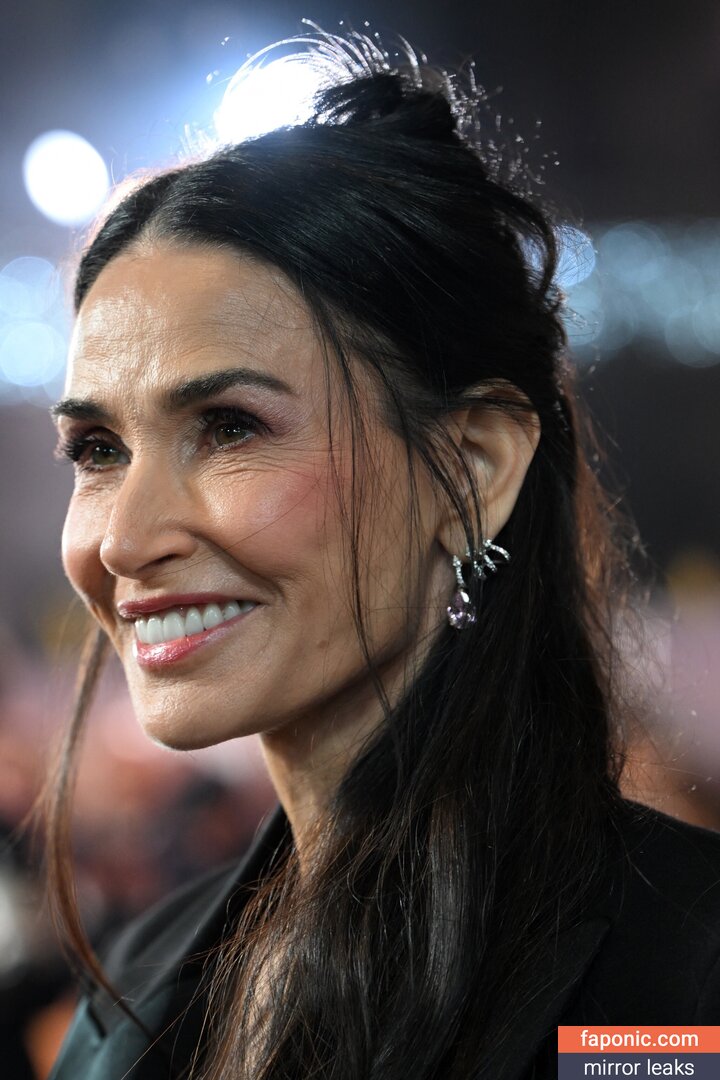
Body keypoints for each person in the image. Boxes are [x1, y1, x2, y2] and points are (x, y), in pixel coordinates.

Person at [45, 29, 720, 1080]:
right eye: (98, 449)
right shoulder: (135, 981)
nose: (124, 539)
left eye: (229, 426)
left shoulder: (680, 988)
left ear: (474, 469)